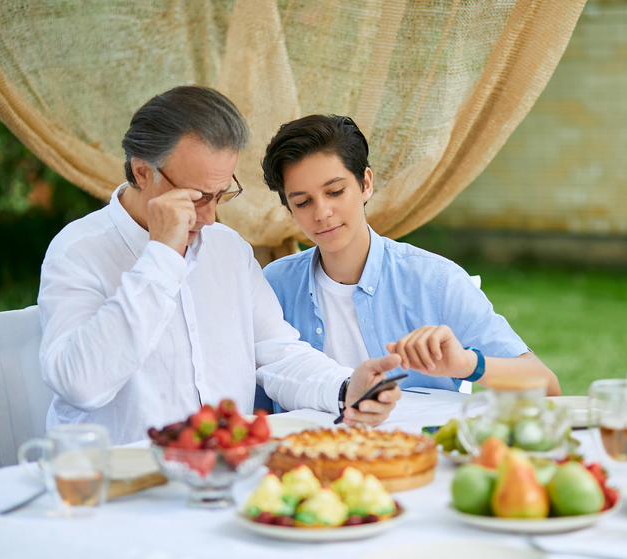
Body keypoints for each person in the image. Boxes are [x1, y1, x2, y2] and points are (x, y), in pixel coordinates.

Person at [37, 88, 401, 445]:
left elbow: (278, 354)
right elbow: (80, 385)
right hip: (118, 490)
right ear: (143, 171)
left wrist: (346, 386)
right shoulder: (77, 251)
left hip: (225, 478)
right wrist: (161, 257)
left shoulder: (227, 248)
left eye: (221, 195)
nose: (210, 217)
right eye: (197, 197)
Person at [260, 115, 560, 409]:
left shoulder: (436, 281)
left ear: (365, 184)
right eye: (303, 202)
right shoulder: (273, 286)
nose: (322, 212)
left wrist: (468, 364)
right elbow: (255, 405)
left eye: (335, 191)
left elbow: (546, 387)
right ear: (289, 210)